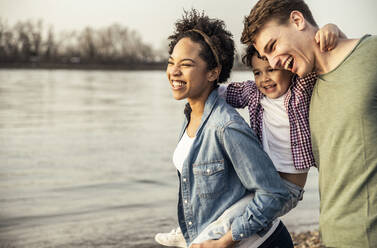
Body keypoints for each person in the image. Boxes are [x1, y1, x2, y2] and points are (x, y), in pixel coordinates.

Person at [156, 20, 343, 248]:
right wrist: (193, 87)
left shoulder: (298, 91)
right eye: (257, 72)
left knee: (213, 233)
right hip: (265, 181)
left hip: (287, 189)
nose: (264, 78)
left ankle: (194, 238)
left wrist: (331, 32)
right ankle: (190, 235)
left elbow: (320, 63)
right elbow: (225, 91)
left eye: (272, 69)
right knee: (220, 222)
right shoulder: (251, 95)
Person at [242, 0, 377, 247]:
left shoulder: (372, 54)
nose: (272, 63)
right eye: (265, 56)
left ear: (297, 20)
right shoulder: (303, 91)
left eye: (273, 46)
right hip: (334, 236)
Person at [159, 9, 294, 248]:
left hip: (260, 243)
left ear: (213, 72)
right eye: (171, 63)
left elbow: (274, 194)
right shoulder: (191, 116)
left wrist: (224, 241)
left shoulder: (225, 127)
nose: (174, 72)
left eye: (186, 64)